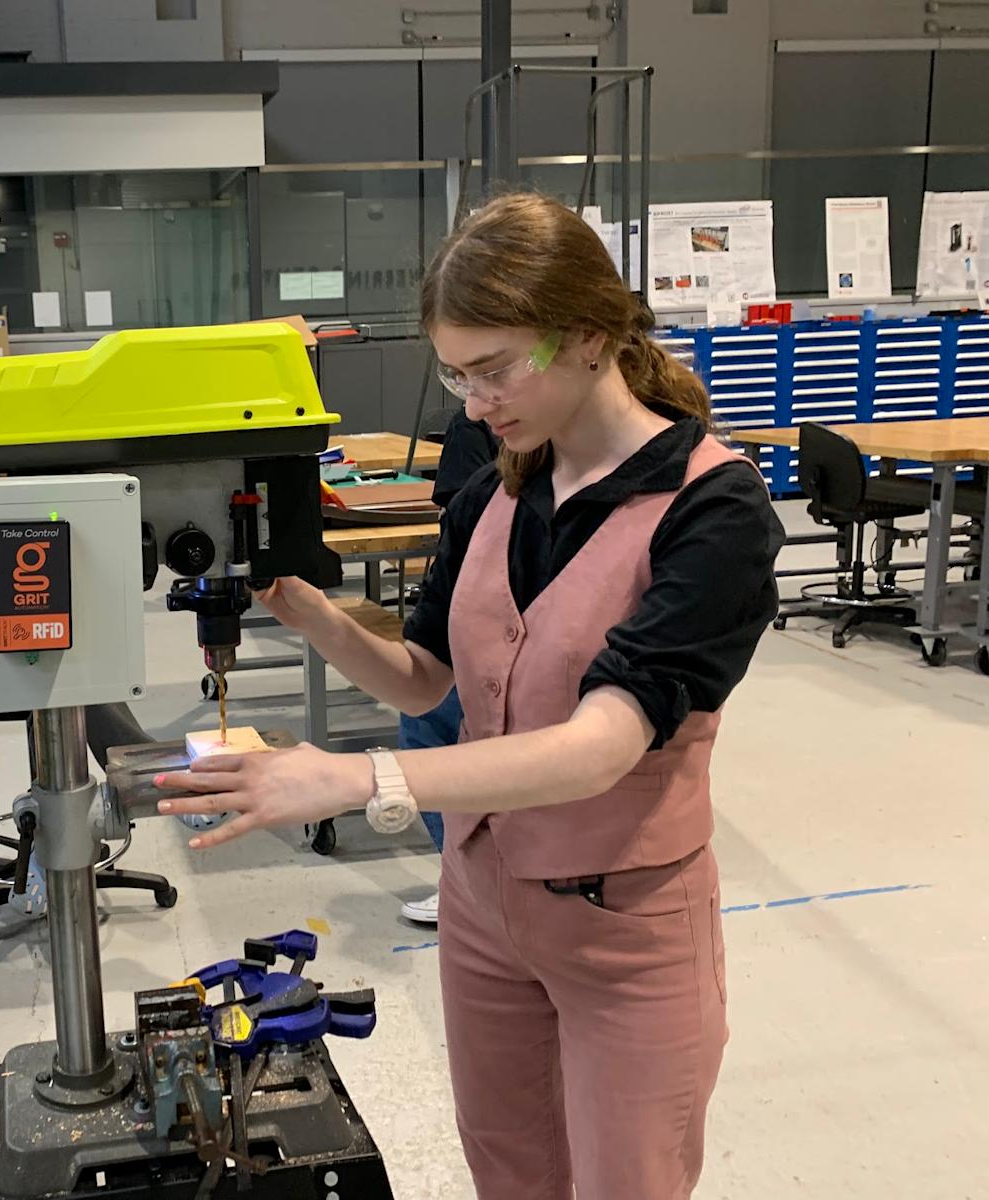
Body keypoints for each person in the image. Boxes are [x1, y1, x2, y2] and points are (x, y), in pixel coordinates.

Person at [155, 191, 784, 1199]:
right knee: (511, 1172)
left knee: (628, 1181)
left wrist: (358, 777)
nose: (476, 399)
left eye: (494, 369)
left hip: (624, 925)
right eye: (456, 373)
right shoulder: (495, 492)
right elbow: (428, 676)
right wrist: (310, 613)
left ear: (588, 336)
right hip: (482, 910)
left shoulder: (713, 510)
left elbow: (601, 745)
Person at [398, 408, 497, 925]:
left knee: (433, 725)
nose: (478, 402)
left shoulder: (472, 428)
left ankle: (463, 877)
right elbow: (417, 677)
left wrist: (355, 777)